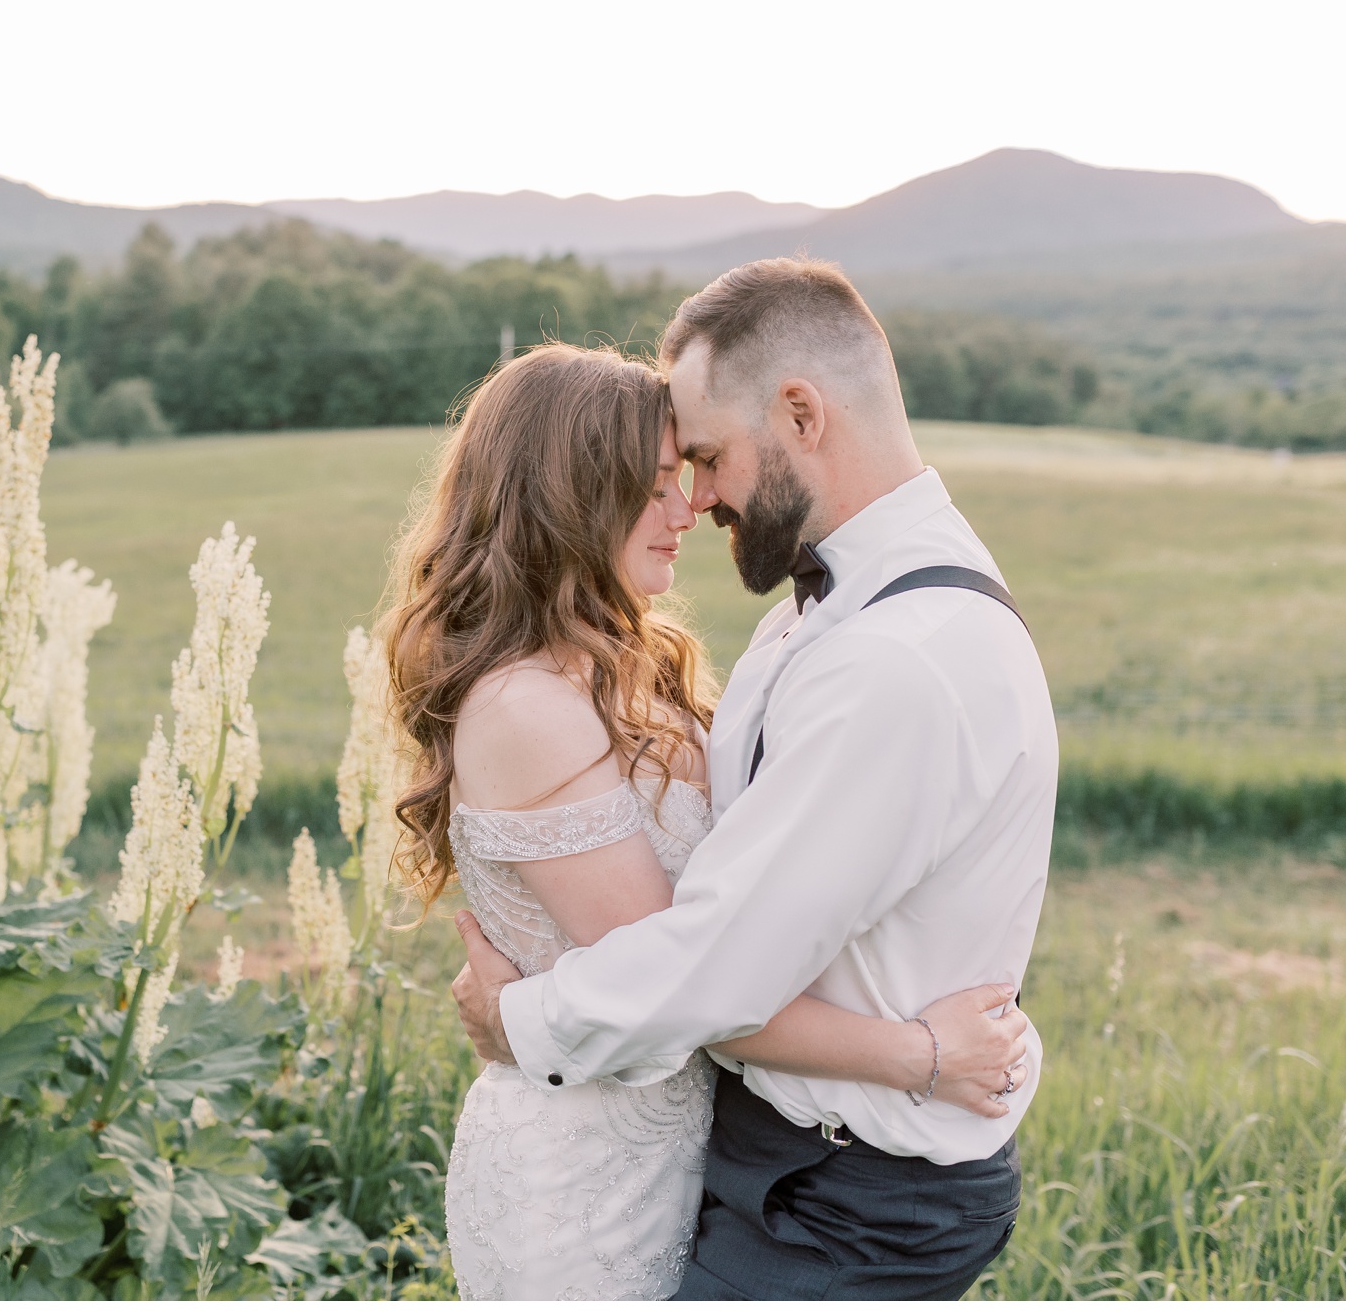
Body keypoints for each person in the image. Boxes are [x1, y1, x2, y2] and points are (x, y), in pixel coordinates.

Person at [448, 259, 1059, 1300]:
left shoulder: (893, 656)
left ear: (800, 414)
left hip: (847, 1196)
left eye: (706, 456)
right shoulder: (811, 619)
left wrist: (522, 1021)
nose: (699, 496)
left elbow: (715, 963)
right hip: (757, 1159)